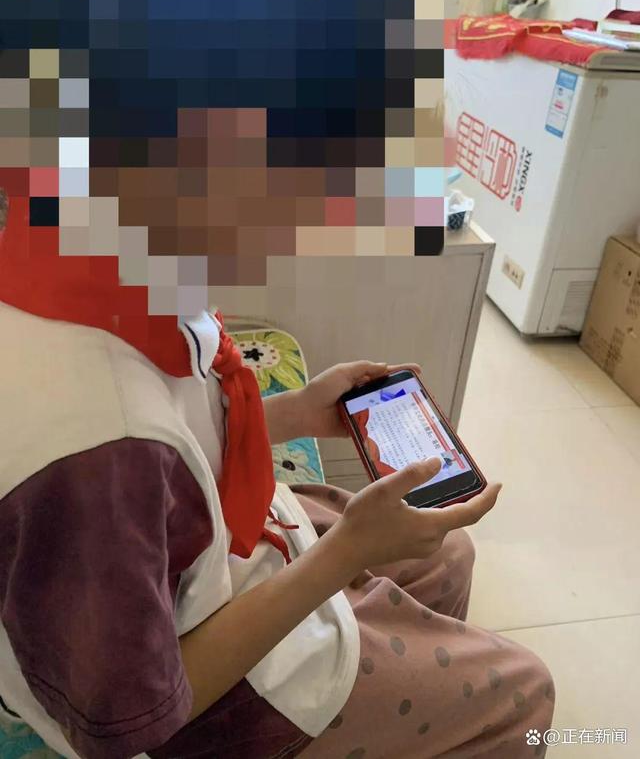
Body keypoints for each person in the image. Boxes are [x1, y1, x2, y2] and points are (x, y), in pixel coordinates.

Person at [0, 187, 554, 759]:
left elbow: (173, 439)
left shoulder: (92, 264)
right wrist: (345, 552)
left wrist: (295, 412)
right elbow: (139, 708)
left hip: (218, 554)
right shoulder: (95, 453)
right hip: (202, 700)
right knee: (525, 697)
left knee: (448, 555)